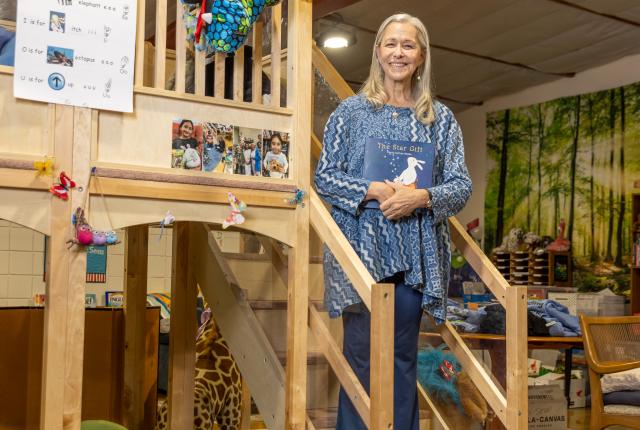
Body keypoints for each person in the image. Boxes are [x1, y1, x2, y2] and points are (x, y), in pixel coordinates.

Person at [314, 13, 472, 430]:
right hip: (360, 253)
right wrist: (375, 190)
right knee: (360, 355)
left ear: (421, 57)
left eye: (408, 45)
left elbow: (460, 186)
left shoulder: (441, 120)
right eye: (390, 44)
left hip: (415, 259)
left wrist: (421, 197)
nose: (398, 53)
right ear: (377, 52)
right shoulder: (349, 113)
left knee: (402, 358)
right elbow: (324, 178)